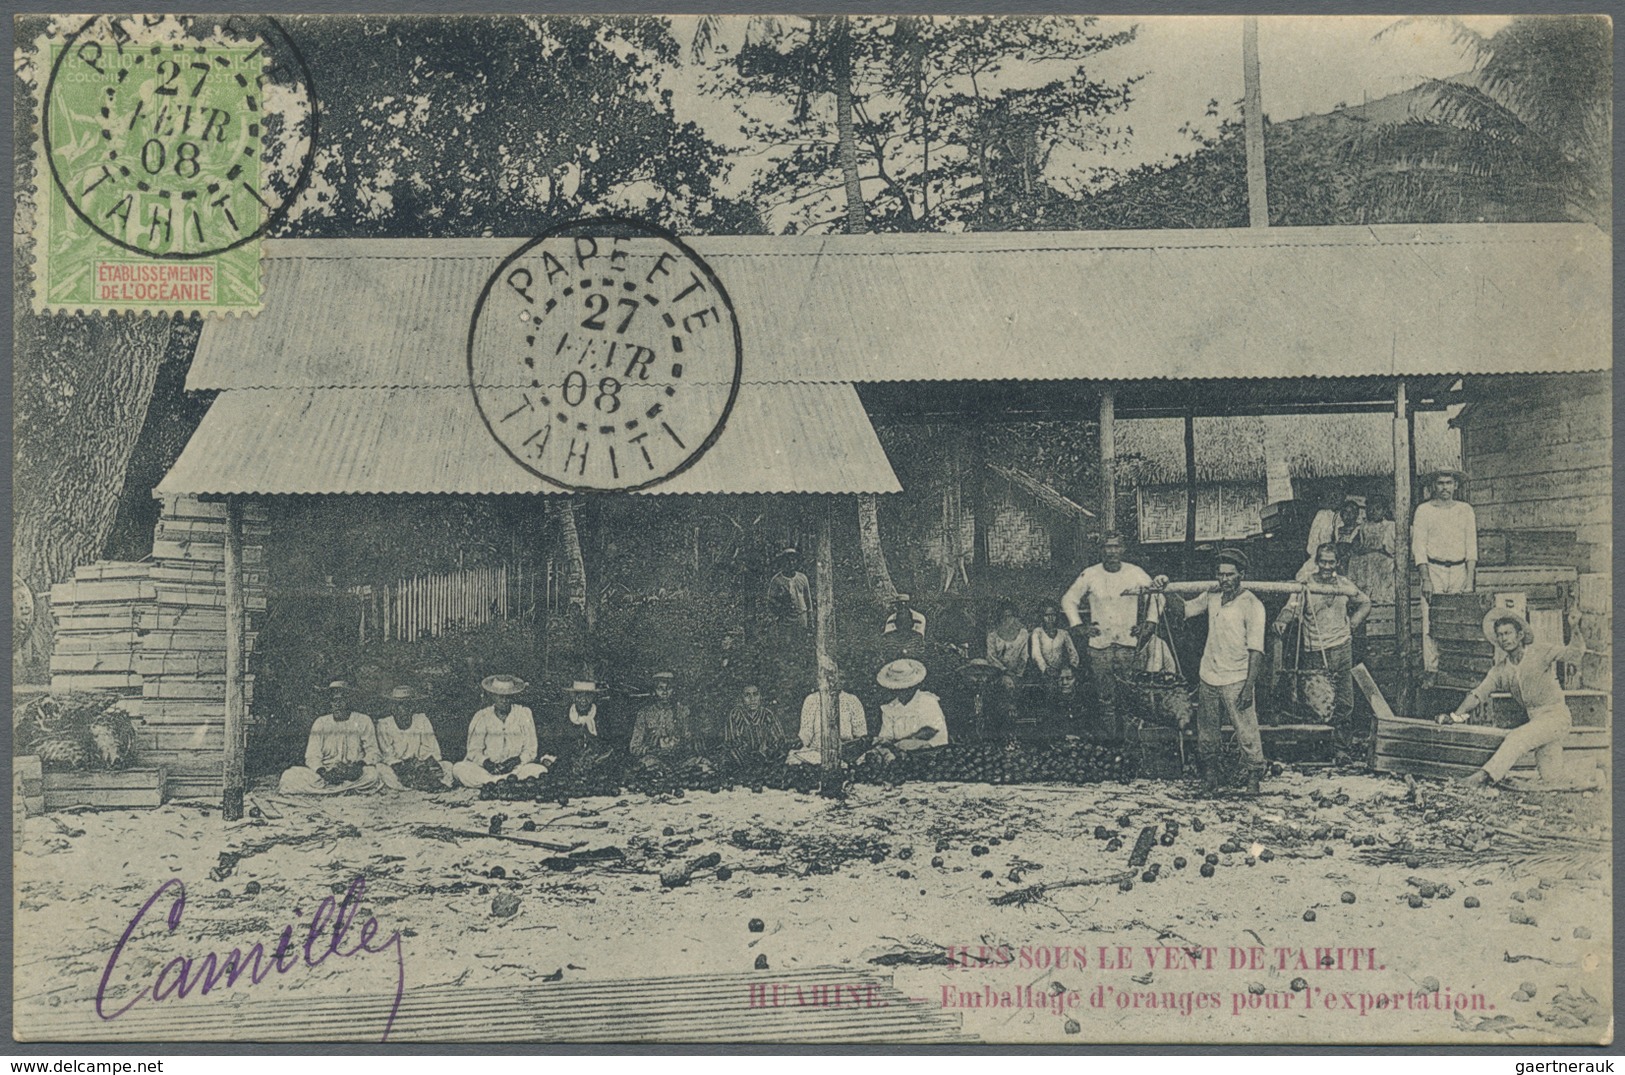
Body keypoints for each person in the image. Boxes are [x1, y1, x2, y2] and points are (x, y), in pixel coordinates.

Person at [1153, 548, 1268, 795]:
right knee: (1207, 732)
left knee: (1246, 730)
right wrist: (1167, 588)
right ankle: (1211, 777)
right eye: (1220, 574)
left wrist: (1249, 687)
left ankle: (1253, 778)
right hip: (1209, 675)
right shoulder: (1212, 596)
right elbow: (1184, 610)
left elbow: (1256, 650)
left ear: (1241, 575)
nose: (1224, 579)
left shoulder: (1252, 604)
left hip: (1237, 676)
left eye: (1230, 574)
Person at [1437, 608, 1587, 787]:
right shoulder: (1501, 670)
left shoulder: (1540, 652)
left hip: (1557, 717)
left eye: (1508, 633)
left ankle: (1482, 777)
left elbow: (1575, 654)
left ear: (1520, 635)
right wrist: (1456, 716)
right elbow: (1478, 694)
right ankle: (1593, 769)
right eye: (1499, 635)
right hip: (1537, 722)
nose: (1504, 639)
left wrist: (1574, 627)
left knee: (1517, 737)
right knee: (1552, 778)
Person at [1061, 532, 1158, 742]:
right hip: (1100, 648)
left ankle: (1130, 746)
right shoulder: (1090, 574)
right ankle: (1112, 746)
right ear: (1100, 550)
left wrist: (1149, 625)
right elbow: (1068, 600)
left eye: (1115, 547)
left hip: (1127, 646)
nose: (1111, 551)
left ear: (1123, 549)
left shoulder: (1136, 573)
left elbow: (1157, 596)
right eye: (1107, 547)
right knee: (1106, 700)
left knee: (1129, 699)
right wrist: (1079, 626)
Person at [1275, 543, 1372, 733]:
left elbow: (1365, 602)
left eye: (1331, 562)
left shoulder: (1344, 584)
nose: (1327, 567)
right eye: (1323, 562)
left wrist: (1353, 623)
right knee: (1319, 703)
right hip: (1316, 650)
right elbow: (1291, 607)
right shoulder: (1306, 584)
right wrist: (1282, 621)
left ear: (1337, 563)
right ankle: (1322, 748)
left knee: (1344, 702)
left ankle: (1341, 748)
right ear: (1317, 562)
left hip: (1342, 648)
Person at [1413, 470, 1478, 672]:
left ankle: (1457, 669)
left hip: (1459, 570)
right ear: (1433, 486)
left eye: (1449, 483)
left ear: (1456, 486)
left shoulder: (1465, 510)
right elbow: (1419, 547)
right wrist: (1426, 578)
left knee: (1459, 620)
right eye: (1440, 483)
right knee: (1430, 621)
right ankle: (1431, 670)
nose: (1444, 488)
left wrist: (1469, 580)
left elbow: (1471, 547)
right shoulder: (1424, 510)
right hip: (1434, 570)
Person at [279, 680, 384, 794]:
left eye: (342, 699)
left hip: (353, 773)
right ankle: (344, 789)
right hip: (327, 775)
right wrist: (324, 773)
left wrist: (357, 768)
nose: (338, 704)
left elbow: (374, 753)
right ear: (330, 703)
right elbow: (312, 756)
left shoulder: (363, 720)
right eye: (334, 700)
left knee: (373, 774)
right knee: (289, 776)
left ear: (349, 701)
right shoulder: (321, 722)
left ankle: (330, 791)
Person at [451, 675, 547, 787]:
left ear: (513, 697)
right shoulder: (482, 716)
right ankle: (504, 783)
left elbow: (530, 750)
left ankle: (495, 784)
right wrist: (487, 764)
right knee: (459, 768)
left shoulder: (523, 714)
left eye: (508, 697)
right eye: (500, 697)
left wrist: (516, 761)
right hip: (487, 772)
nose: (504, 701)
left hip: (516, 770)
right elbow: (474, 751)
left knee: (539, 770)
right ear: (492, 696)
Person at [375, 685, 454, 791]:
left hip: (421, 764)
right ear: (392, 707)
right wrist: (405, 767)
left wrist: (423, 763)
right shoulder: (384, 724)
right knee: (381, 769)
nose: (403, 709)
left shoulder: (421, 720)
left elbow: (430, 747)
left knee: (447, 766)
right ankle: (419, 784)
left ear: (413, 706)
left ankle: (421, 782)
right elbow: (388, 755)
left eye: (407, 705)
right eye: (398, 705)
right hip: (399, 768)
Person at [629, 671, 707, 773]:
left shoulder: (683, 711)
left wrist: (681, 744)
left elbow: (689, 739)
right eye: (660, 688)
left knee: (704, 765)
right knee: (645, 767)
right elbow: (634, 747)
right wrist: (653, 748)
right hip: (655, 761)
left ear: (674, 690)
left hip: (681, 761)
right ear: (654, 690)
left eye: (669, 688)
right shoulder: (644, 713)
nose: (664, 693)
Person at [788, 668, 868, 765]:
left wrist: (852, 748)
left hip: (846, 753)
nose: (835, 682)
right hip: (817, 752)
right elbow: (805, 733)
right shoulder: (812, 700)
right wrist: (797, 742)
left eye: (841, 678)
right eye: (831, 678)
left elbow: (861, 733)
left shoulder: (852, 700)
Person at [874, 658, 949, 751]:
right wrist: (884, 741)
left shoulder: (926, 700)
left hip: (931, 750)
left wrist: (908, 741)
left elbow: (931, 729)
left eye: (904, 689)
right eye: (897, 689)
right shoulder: (891, 708)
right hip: (902, 755)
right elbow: (887, 735)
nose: (901, 692)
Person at [538, 680, 610, 774]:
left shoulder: (602, 717)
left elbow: (607, 746)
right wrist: (548, 758)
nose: (583, 700)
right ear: (573, 697)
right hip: (566, 766)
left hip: (595, 768)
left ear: (593, 697)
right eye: (579, 695)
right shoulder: (563, 715)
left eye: (588, 695)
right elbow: (553, 743)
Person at [721, 681, 792, 770]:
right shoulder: (736, 715)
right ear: (741, 698)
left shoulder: (767, 714)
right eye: (747, 695)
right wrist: (750, 765)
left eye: (755, 694)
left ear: (760, 697)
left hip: (767, 762)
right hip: (742, 764)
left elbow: (779, 740)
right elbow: (732, 745)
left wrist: (768, 755)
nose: (752, 699)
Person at [1028, 600, 1080, 679]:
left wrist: (1072, 667)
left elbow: (1073, 653)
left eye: (1053, 615)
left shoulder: (1063, 633)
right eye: (1047, 615)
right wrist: (1045, 668)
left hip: (1060, 672)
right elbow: (1036, 654)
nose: (1050, 618)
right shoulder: (1037, 632)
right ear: (1042, 616)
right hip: (1042, 673)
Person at [1307, 495, 1364, 565]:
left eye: (1352, 512)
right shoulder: (1337, 529)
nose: (1348, 515)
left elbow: (1358, 546)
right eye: (1346, 512)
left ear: (1357, 514)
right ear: (1342, 514)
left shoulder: (1359, 529)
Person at [984, 602, 1030, 685]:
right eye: (1003, 617)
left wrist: (1018, 674)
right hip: (998, 673)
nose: (1007, 619)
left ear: (1015, 617)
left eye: (1009, 616)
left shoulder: (1023, 634)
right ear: (999, 618)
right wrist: (1004, 670)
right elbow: (991, 657)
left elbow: (1024, 655)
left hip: (1017, 674)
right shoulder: (992, 636)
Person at [766, 548, 812, 630]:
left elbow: (807, 598)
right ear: (783, 562)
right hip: (786, 619)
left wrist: (810, 617)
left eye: (793, 560)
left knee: (802, 640)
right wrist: (781, 610)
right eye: (787, 561)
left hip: (801, 617)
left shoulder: (802, 578)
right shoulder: (777, 580)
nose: (791, 563)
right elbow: (771, 600)